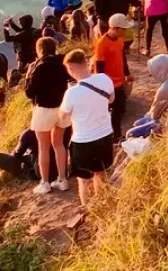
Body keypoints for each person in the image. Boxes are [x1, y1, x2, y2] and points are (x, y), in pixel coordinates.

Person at [59, 48, 115, 207]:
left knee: (83, 181)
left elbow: (63, 116)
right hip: (105, 135)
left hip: (83, 141)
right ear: (86, 62)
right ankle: (103, 205)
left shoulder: (71, 93)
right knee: (101, 174)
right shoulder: (104, 79)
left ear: (70, 69)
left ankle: (88, 210)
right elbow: (111, 100)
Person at [23, 36, 71, 193]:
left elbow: (29, 93)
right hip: (62, 108)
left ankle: (44, 183)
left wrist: (28, 76)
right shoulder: (62, 62)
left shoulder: (40, 66)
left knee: (44, 147)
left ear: (39, 49)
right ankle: (62, 179)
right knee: (59, 145)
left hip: (44, 109)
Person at [92, 13, 134, 140]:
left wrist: (127, 73)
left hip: (119, 82)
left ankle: (116, 135)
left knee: (119, 110)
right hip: (107, 85)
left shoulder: (120, 40)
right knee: (105, 113)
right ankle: (108, 135)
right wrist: (102, 86)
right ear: (115, 28)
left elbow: (122, 57)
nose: (125, 31)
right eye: (123, 29)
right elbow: (99, 67)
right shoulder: (102, 43)